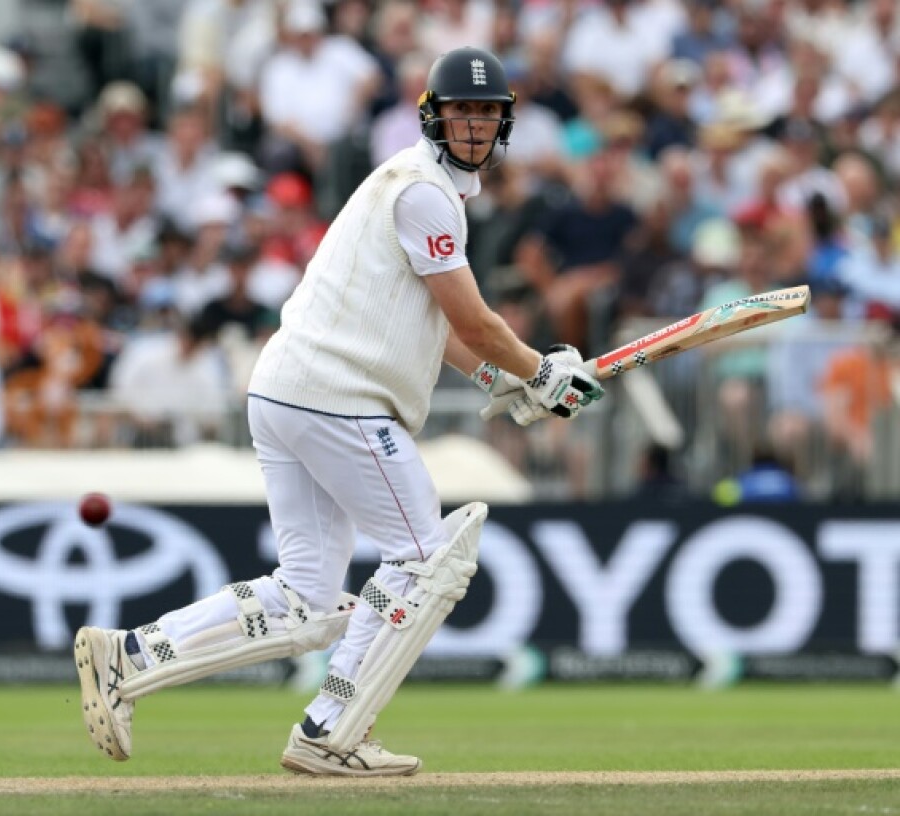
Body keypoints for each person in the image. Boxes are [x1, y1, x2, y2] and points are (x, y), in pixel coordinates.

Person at [73, 47, 603, 777]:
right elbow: (475, 318)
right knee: (427, 558)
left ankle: (129, 657)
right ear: (432, 115)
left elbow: (442, 327)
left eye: (487, 113)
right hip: (337, 397)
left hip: (289, 389)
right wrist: (541, 372)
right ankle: (332, 729)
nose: (474, 125)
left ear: (504, 122)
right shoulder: (422, 191)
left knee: (306, 600)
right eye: (461, 111)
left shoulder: (415, 188)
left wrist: (499, 378)